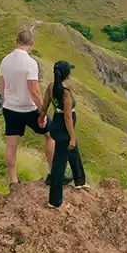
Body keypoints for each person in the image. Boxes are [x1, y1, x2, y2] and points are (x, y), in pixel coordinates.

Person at [0, 25, 53, 185]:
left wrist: (7, 101)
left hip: (9, 108)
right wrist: (43, 112)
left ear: (16, 41)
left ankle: (14, 181)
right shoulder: (30, 63)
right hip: (28, 109)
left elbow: (1, 88)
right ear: (31, 43)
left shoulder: (5, 60)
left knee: (11, 146)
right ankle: (53, 173)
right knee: (51, 136)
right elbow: (34, 91)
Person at [45, 60, 87, 209]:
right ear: (66, 74)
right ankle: (55, 202)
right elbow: (68, 117)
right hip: (64, 128)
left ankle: (80, 181)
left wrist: (42, 116)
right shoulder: (66, 93)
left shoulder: (51, 87)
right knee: (59, 164)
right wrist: (72, 137)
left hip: (56, 123)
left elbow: (45, 104)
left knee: (73, 151)